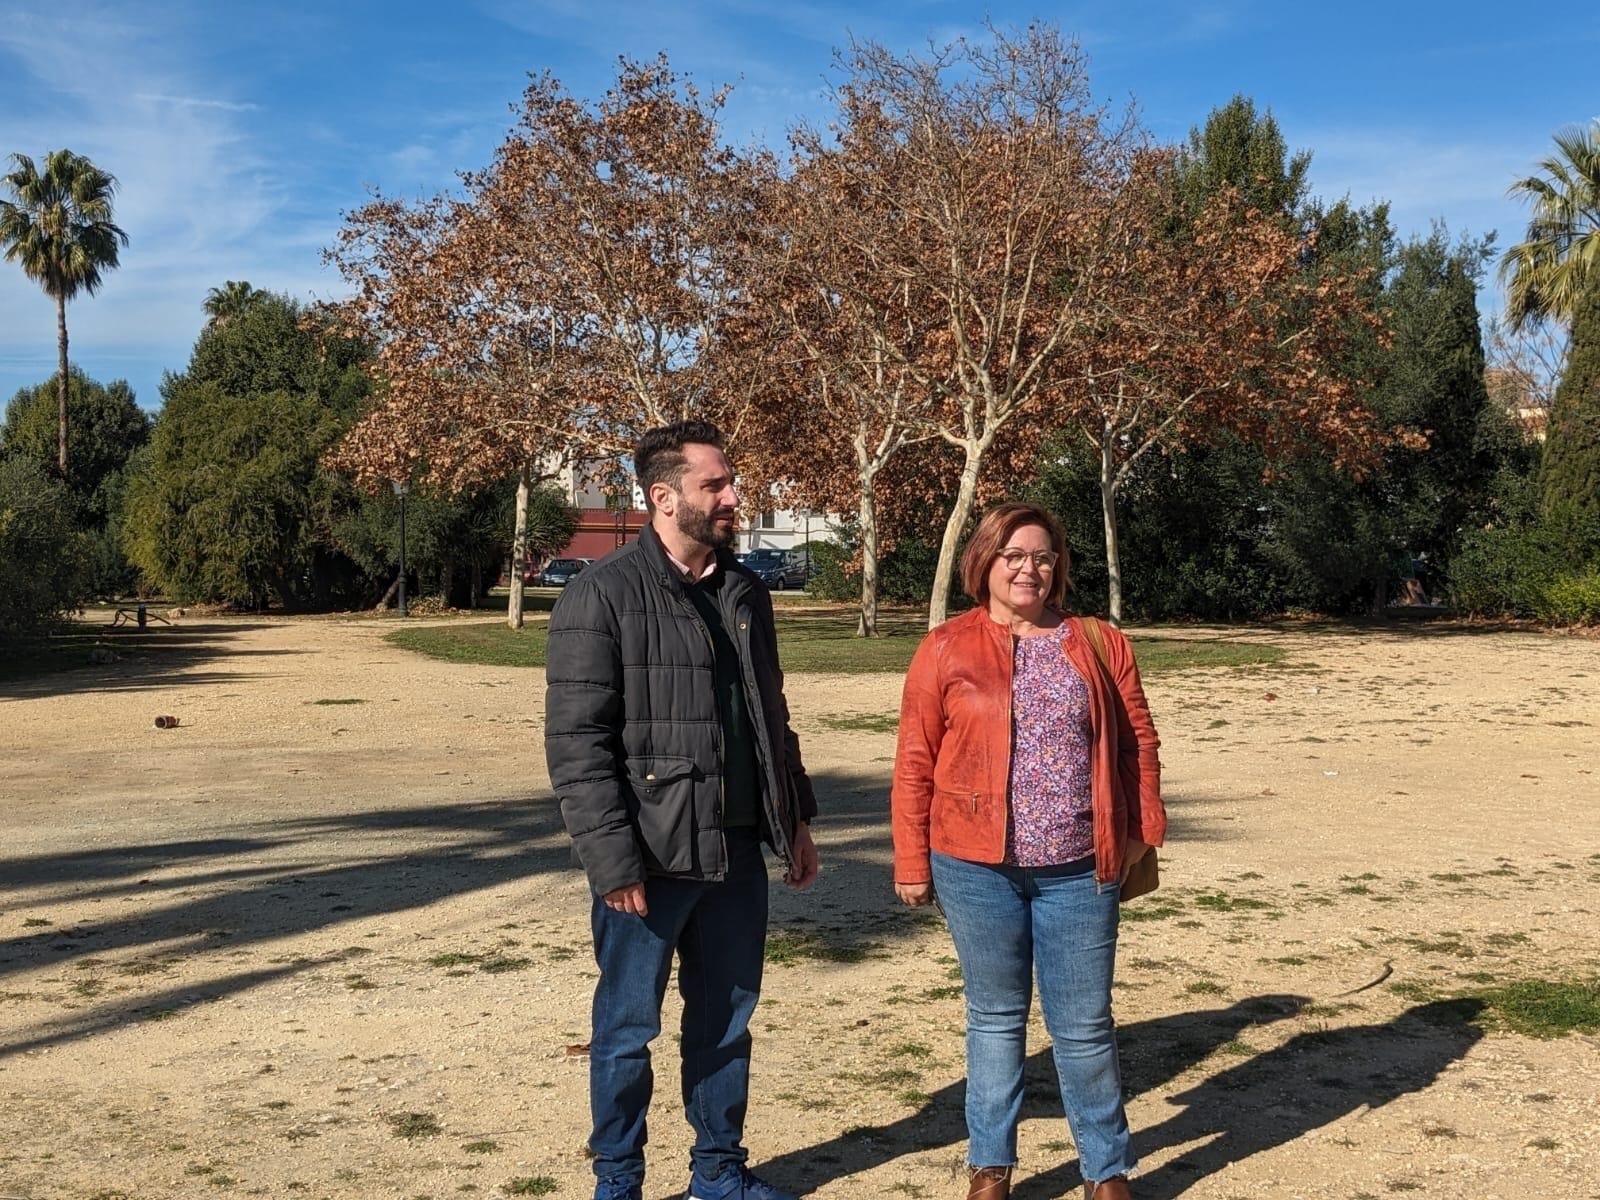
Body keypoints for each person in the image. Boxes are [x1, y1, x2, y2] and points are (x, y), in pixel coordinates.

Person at [545, 420, 820, 1200]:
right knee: (628, 1029)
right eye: (716, 485)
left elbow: (772, 715)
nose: (733, 497)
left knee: (726, 1024)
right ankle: (619, 1182)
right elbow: (577, 742)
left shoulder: (744, 592)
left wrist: (794, 818)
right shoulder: (600, 595)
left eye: (730, 482)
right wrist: (610, 860)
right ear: (663, 498)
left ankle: (718, 1176)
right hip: (649, 857)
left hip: (736, 852)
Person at [890, 502, 1164, 1200]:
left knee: (1084, 1027)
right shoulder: (945, 647)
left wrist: (1140, 833)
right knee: (995, 1019)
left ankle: (1106, 1171)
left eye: (1042, 556)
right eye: (1014, 555)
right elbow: (915, 761)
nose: (1029, 569)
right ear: (986, 562)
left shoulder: (1098, 642)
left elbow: (1138, 742)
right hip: (976, 868)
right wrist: (911, 860)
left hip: (1081, 867)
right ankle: (991, 1167)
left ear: (1058, 567)